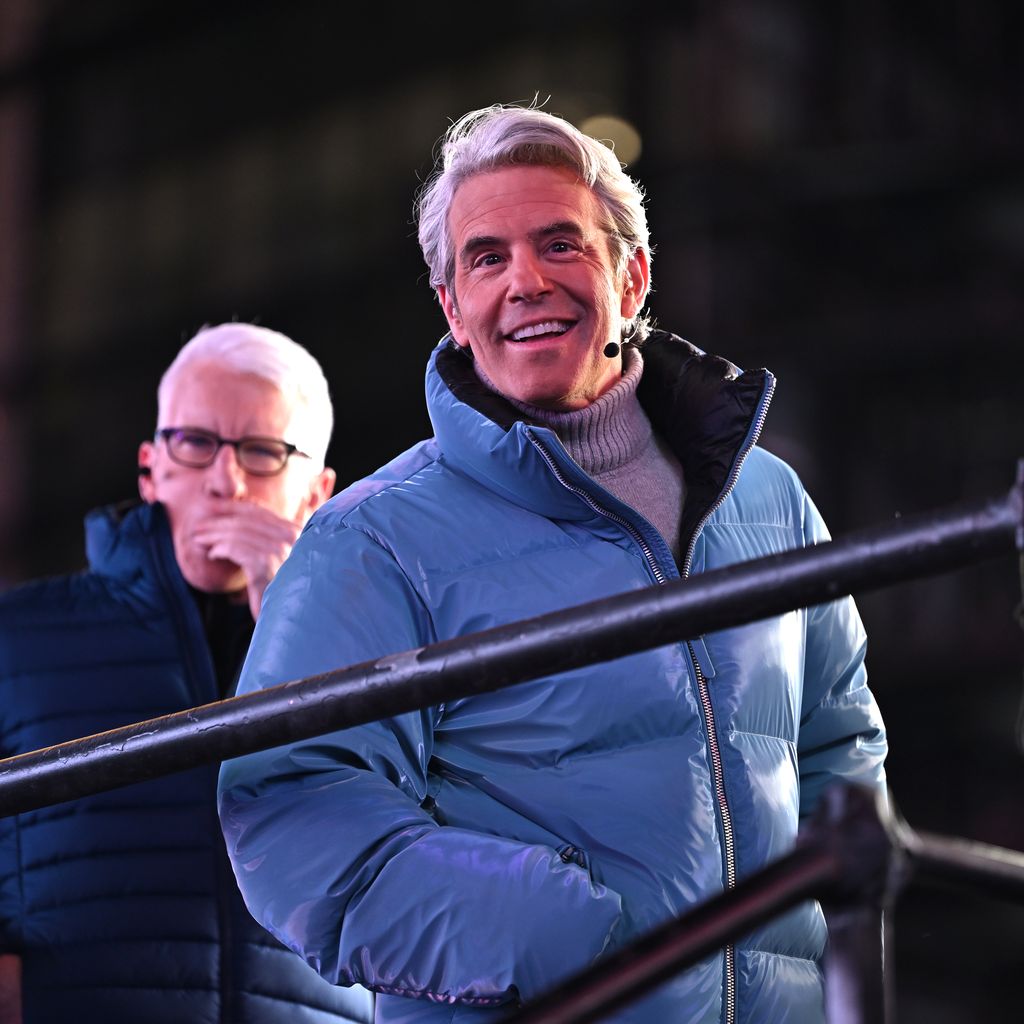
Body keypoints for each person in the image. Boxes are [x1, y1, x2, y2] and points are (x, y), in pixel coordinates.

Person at [217, 105, 888, 1023]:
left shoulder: (768, 499)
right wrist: (571, 945)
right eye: (486, 258)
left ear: (633, 275)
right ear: (453, 309)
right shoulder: (371, 541)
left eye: (560, 245)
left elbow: (840, 746)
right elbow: (294, 811)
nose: (525, 281)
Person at [0, 323, 374, 1024]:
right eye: (196, 444)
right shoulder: (18, 634)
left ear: (317, 494)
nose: (225, 482)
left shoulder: (375, 650)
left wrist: (294, 618)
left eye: (263, 453)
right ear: (151, 469)